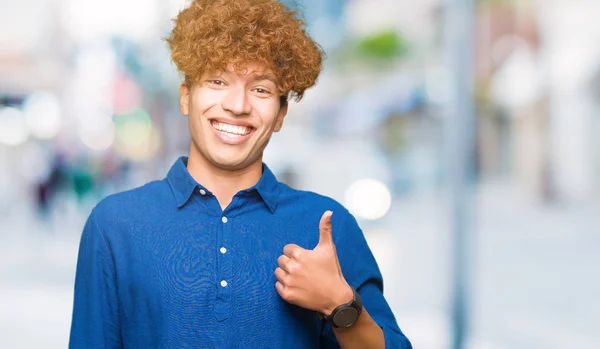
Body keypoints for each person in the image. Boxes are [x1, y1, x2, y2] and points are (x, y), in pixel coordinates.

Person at [69, 0, 412, 348]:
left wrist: (340, 305)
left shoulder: (327, 225)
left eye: (260, 89)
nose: (237, 105)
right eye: (217, 80)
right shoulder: (115, 225)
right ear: (186, 96)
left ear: (280, 115)